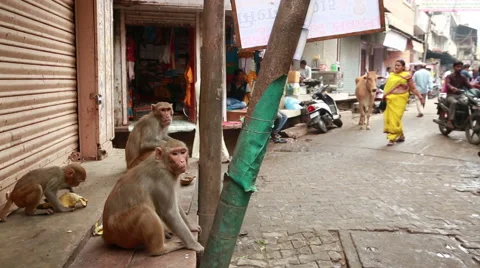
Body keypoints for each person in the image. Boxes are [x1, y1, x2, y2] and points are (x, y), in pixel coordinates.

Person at [383, 60, 424, 146]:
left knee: (395, 119)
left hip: (400, 99)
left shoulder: (407, 76)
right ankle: (401, 136)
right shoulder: (391, 75)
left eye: (399, 65)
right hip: (390, 99)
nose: (396, 67)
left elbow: (413, 88)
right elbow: (387, 87)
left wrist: (420, 97)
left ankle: (392, 138)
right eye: (396, 65)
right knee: (391, 119)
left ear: (403, 67)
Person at [445, 61, 473, 129]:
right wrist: (452, 88)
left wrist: (476, 87)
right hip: (451, 95)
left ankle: (466, 119)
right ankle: (449, 121)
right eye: (458, 67)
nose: (459, 68)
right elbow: (448, 84)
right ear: (454, 67)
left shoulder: (463, 77)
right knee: (454, 102)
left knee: (468, 102)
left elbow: (469, 86)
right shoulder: (449, 76)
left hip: (460, 95)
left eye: (461, 67)